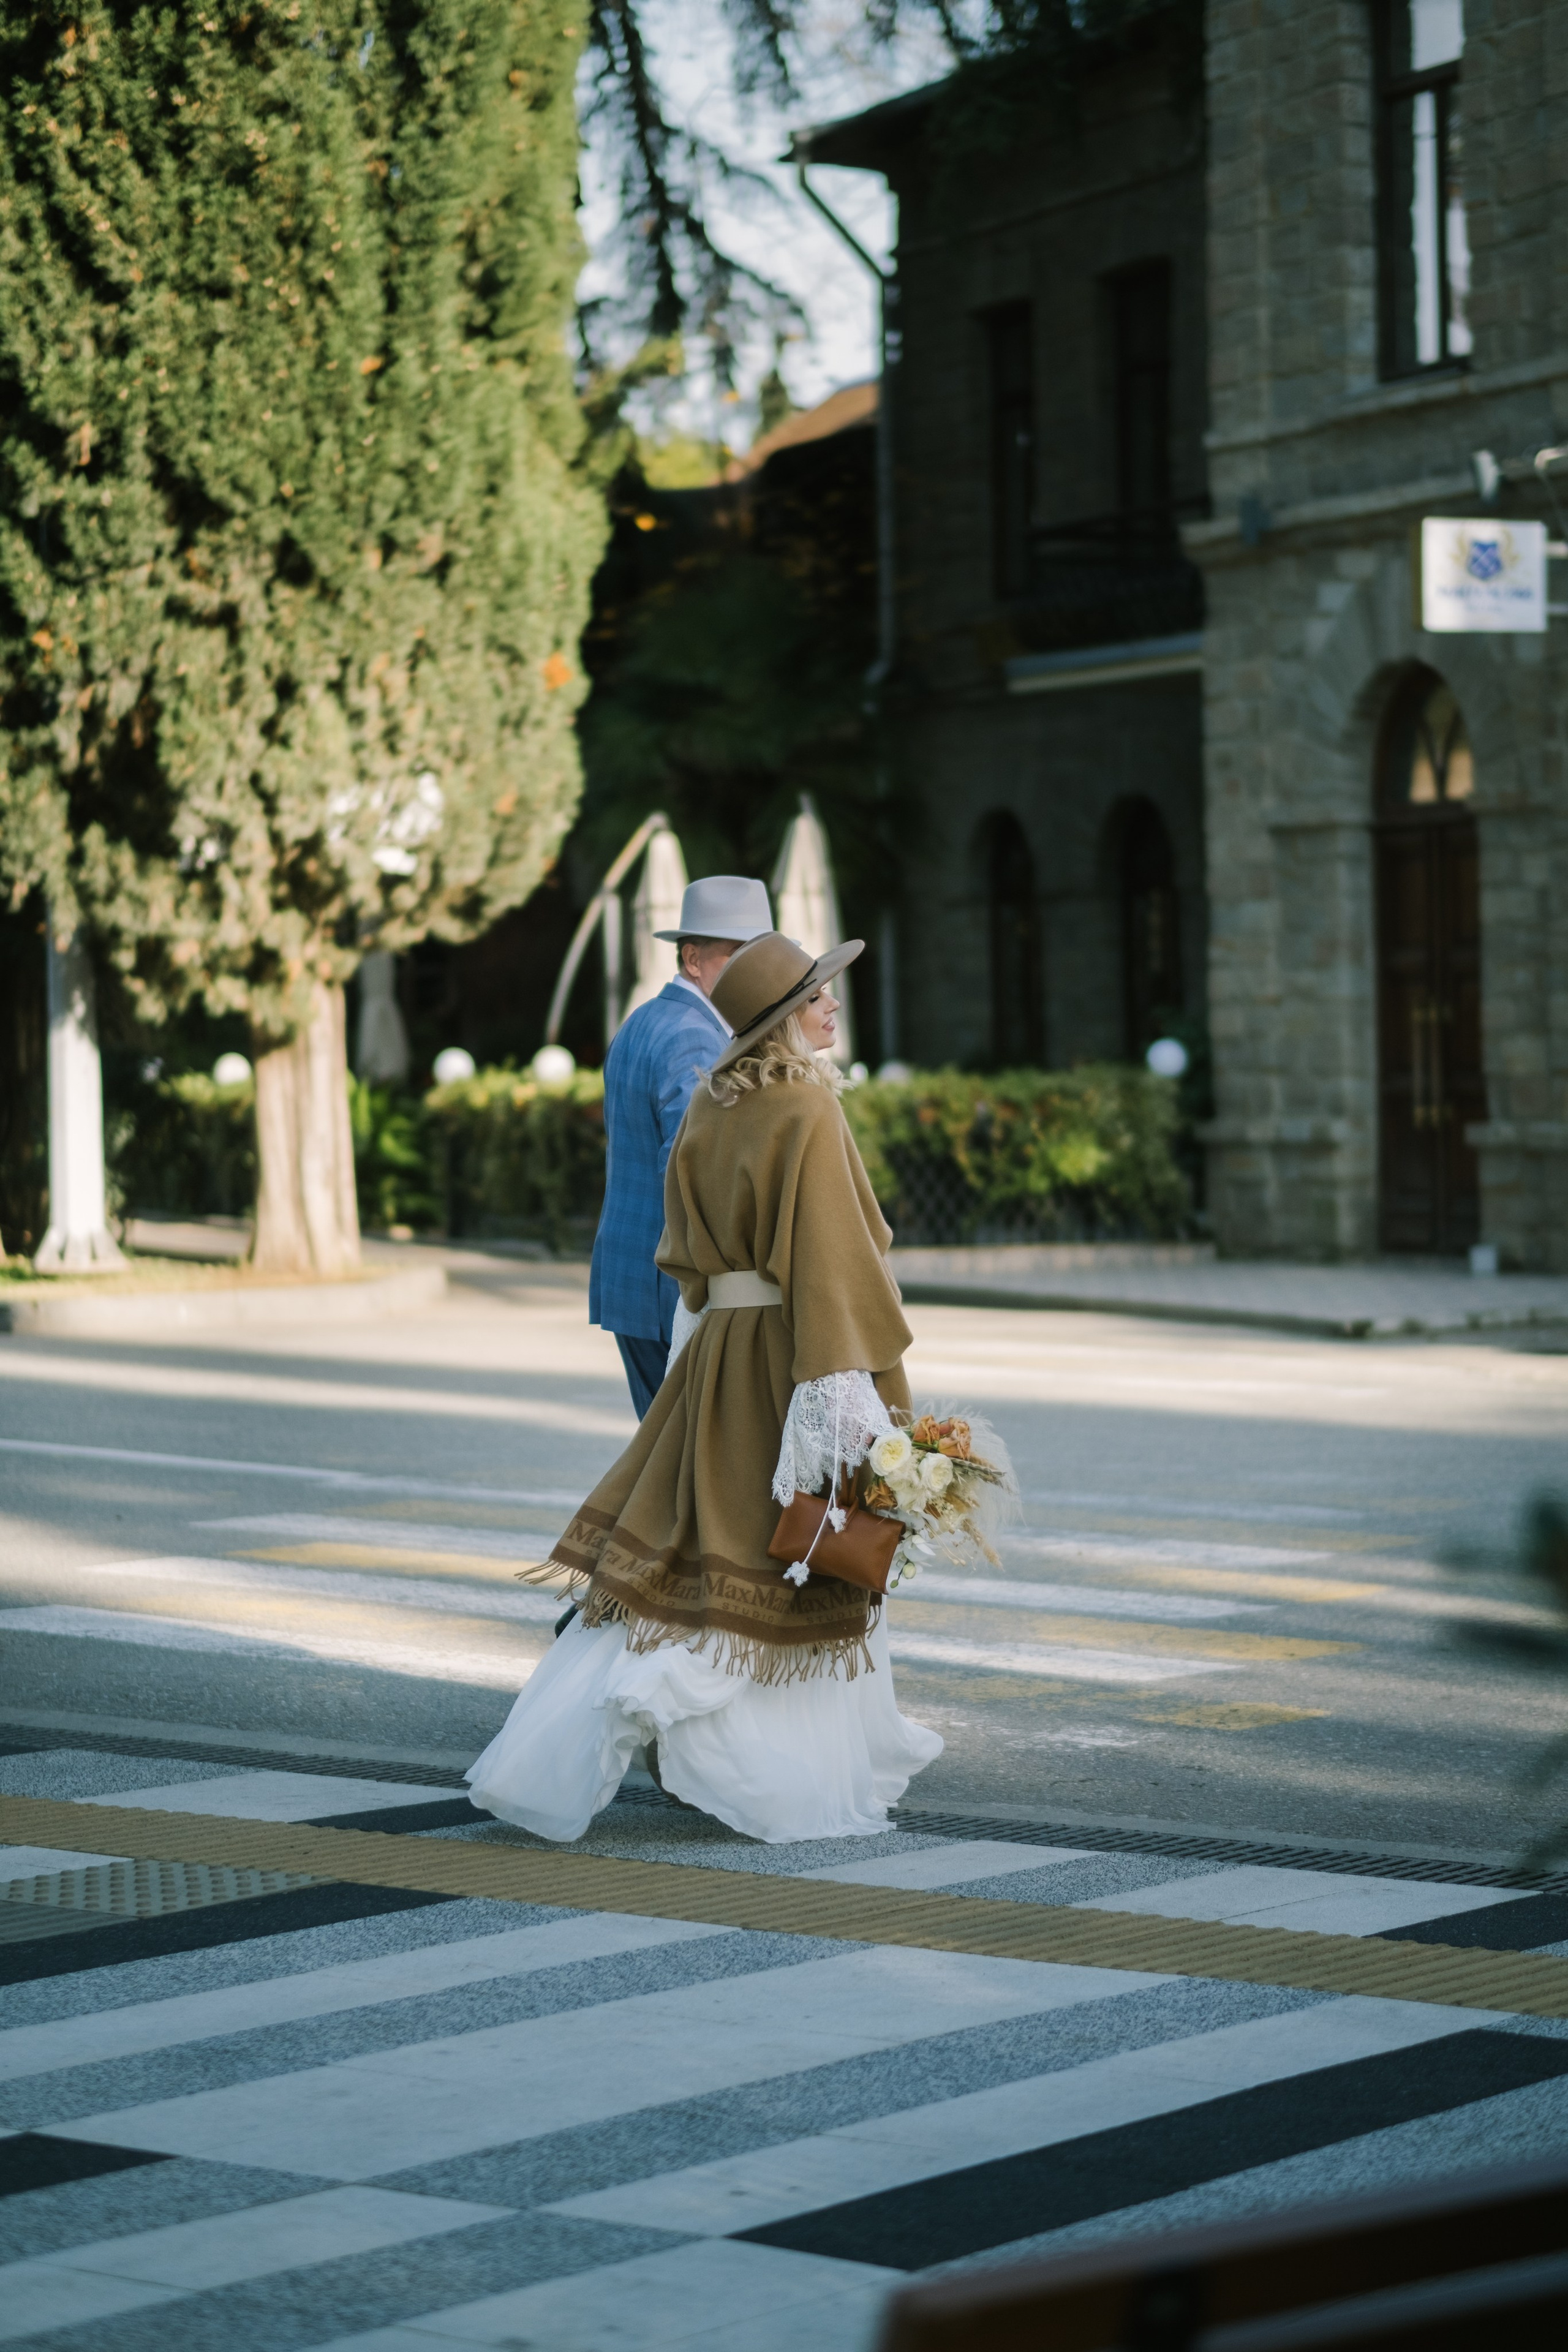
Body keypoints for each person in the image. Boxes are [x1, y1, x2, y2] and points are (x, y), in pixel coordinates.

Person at [469, 930, 942, 1844]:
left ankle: (586, 1733)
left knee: (691, 1554)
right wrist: (856, 1405)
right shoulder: (806, 1106)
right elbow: (834, 1262)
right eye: (818, 997)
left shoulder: (713, 1104)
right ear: (784, 1019)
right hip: (790, 1353)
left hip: (719, 1349)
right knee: (789, 1559)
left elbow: (686, 1260)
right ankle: (759, 1763)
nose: (834, 1007)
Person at [589, 873, 772, 1419]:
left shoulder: (645, 1020)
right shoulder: (696, 1034)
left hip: (636, 1281)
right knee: (692, 1473)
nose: (753, 969)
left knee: (668, 1468)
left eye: (758, 954)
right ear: (693, 959)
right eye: (736, 954)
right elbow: (690, 1165)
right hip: (672, 1289)